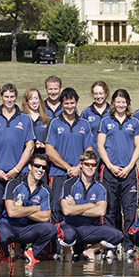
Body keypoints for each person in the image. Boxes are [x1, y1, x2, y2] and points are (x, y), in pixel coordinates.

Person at [97, 88, 139, 257]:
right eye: (118, 101)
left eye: (124, 102)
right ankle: (111, 245)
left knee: (130, 210)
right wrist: (110, 166)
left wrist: (130, 166)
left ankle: (129, 245)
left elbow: (138, 146)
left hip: (129, 172)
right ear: (113, 103)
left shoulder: (134, 122)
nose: (121, 104)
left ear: (128, 103)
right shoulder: (106, 122)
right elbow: (101, 145)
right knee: (110, 210)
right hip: (110, 172)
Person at [0, 83, 35, 220]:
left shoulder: (25, 119)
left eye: (12, 96)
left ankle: (17, 241)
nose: (9, 100)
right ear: (1, 97)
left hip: (18, 174)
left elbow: (30, 147)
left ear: (16, 97)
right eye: (6, 96)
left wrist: (16, 169)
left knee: (18, 212)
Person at [58, 151, 122, 262]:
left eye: (93, 165)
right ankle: (67, 256)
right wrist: (89, 205)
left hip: (91, 227)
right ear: (81, 165)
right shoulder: (69, 184)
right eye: (87, 164)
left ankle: (91, 250)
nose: (90, 167)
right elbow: (67, 210)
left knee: (117, 235)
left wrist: (76, 207)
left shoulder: (101, 187)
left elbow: (101, 211)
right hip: (71, 225)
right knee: (67, 235)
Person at [0, 153, 58, 264]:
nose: (40, 170)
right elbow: (11, 212)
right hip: (9, 225)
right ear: (29, 166)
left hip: (27, 228)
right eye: (37, 166)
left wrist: (22, 209)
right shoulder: (14, 184)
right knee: (2, 232)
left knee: (51, 229)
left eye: (43, 167)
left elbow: (45, 217)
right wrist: (35, 208)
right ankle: (4, 253)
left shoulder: (46, 190)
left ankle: (32, 252)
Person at [44, 87, 93, 223]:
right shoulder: (54, 123)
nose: (69, 106)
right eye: (66, 103)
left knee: (78, 207)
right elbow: (49, 149)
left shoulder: (84, 124)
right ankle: (56, 243)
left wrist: (79, 167)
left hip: (80, 173)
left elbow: (89, 149)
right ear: (61, 104)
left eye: (72, 103)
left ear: (76, 103)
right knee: (57, 208)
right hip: (58, 173)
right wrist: (67, 167)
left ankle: (78, 243)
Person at [82, 80, 110, 153]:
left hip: (110, 155)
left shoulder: (113, 111)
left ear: (106, 93)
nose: (98, 96)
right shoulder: (86, 113)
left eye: (101, 93)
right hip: (93, 154)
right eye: (95, 94)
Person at [21, 87, 48, 155]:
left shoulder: (47, 120)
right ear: (27, 102)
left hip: (43, 158)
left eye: (36, 98)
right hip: (26, 158)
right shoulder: (21, 119)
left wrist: (44, 145)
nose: (34, 101)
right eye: (31, 99)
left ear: (40, 100)